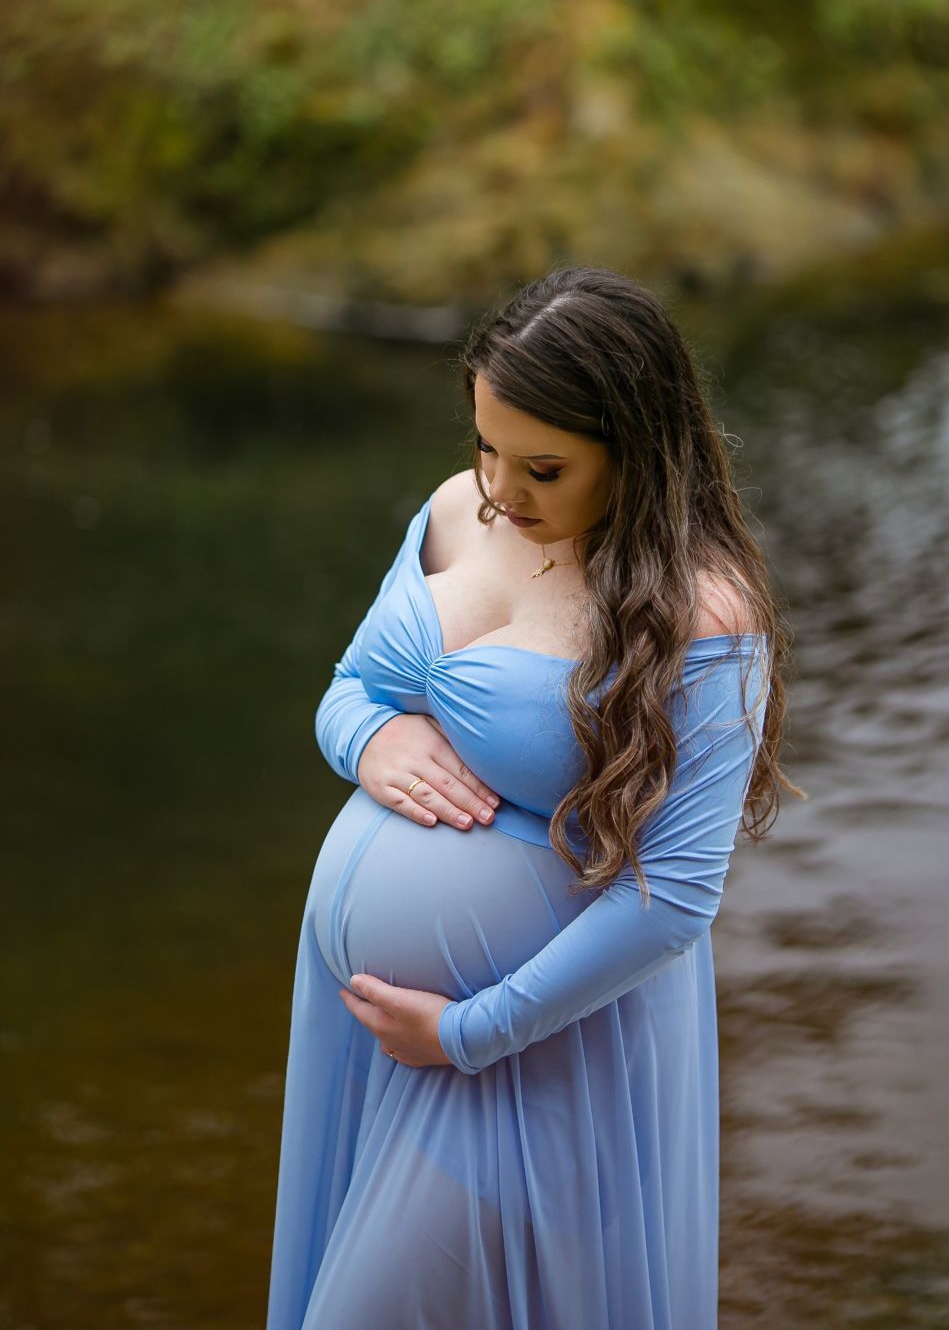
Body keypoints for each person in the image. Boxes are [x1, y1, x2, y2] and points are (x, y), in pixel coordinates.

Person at [265, 265, 802, 1330]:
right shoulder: (454, 512)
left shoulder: (703, 617)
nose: (501, 490)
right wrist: (371, 739)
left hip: (527, 1051)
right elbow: (347, 690)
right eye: (485, 445)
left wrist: (467, 1032)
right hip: (383, 1034)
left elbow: (672, 899)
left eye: (542, 467)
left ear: (638, 451)